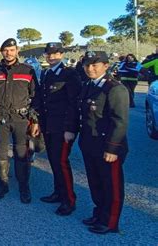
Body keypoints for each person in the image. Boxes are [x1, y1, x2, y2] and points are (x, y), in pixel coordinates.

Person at [0, 38, 39, 204]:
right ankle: (3, 184)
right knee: (2, 152)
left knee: (21, 153)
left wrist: (35, 120)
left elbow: (36, 97)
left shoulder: (28, 70)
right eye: (5, 50)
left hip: (21, 118)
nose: (9, 53)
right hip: (1, 117)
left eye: (12, 50)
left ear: (17, 50)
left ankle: (24, 187)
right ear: (1, 52)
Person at [77, 51, 129, 234]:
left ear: (106, 66)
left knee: (111, 186)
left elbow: (120, 121)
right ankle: (99, 213)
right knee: (96, 182)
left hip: (107, 146)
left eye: (94, 65)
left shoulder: (115, 88)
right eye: (87, 65)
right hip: (90, 144)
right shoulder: (88, 86)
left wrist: (112, 149)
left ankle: (111, 222)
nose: (90, 68)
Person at [36, 42, 81, 216]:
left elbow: (74, 103)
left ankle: (69, 200)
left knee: (62, 162)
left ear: (61, 54)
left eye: (55, 53)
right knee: (54, 161)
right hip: (50, 125)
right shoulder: (47, 73)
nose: (51, 56)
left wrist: (70, 128)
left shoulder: (69, 74)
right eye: (48, 54)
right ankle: (58, 192)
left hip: (63, 128)